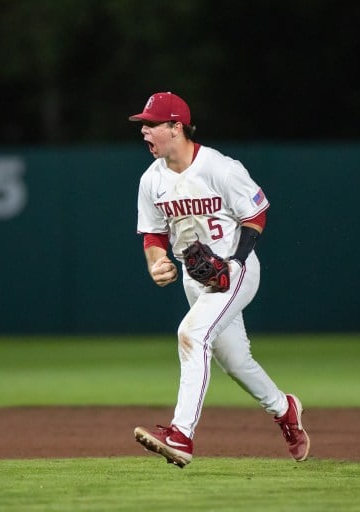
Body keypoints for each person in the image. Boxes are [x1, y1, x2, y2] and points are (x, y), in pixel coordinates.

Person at [129, 91, 309, 467]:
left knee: (191, 335)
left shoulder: (220, 167)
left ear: (176, 127)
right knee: (235, 360)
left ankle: (181, 435)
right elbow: (153, 234)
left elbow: (256, 214)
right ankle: (285, 409)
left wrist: (235, 261)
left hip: (236, 271)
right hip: (196, 280)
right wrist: (156, 260)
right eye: (142, 126)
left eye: (151, 125)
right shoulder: (151, 180)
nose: (144, 132)